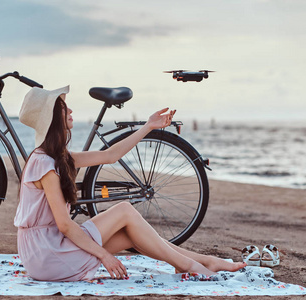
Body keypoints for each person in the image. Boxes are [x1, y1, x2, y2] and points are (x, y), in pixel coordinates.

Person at [14, 86, 246, 282]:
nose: (71, 110)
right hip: (46, 256)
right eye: (64, 107)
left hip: (50, 248)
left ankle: (201, 262)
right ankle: (189, 265)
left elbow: (110, 155)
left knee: (130, 234)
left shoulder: (59, 158)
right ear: (54, 116)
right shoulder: (44, 164)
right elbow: (64, 225)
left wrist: (148, 127)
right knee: (125, 209)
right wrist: (105, 256)